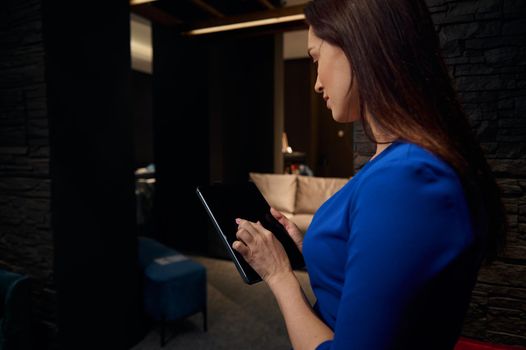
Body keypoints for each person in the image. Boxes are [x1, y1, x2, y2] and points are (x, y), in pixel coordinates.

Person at [232, 0, 507, 349]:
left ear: (357, 45)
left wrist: (279, 275)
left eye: (316, 58)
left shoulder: (406, 180)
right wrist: (312, 246)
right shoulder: (398, 161)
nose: (317, 84)